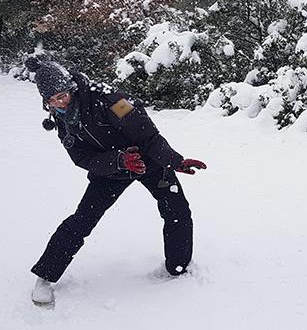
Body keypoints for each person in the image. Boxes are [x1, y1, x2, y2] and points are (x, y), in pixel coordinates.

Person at [25, 55, 207, 306]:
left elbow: (147, 135)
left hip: (148, 161)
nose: (60, 103)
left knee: (176, 210)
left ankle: (177, 268)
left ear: (71, 88)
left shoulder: (111, 100)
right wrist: (118, 161)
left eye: (63, 96)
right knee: (82, 220)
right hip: (112, 170)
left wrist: (174, 161)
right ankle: (45, 276)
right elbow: (82, 158)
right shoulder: (62, 120)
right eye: (52, 100)